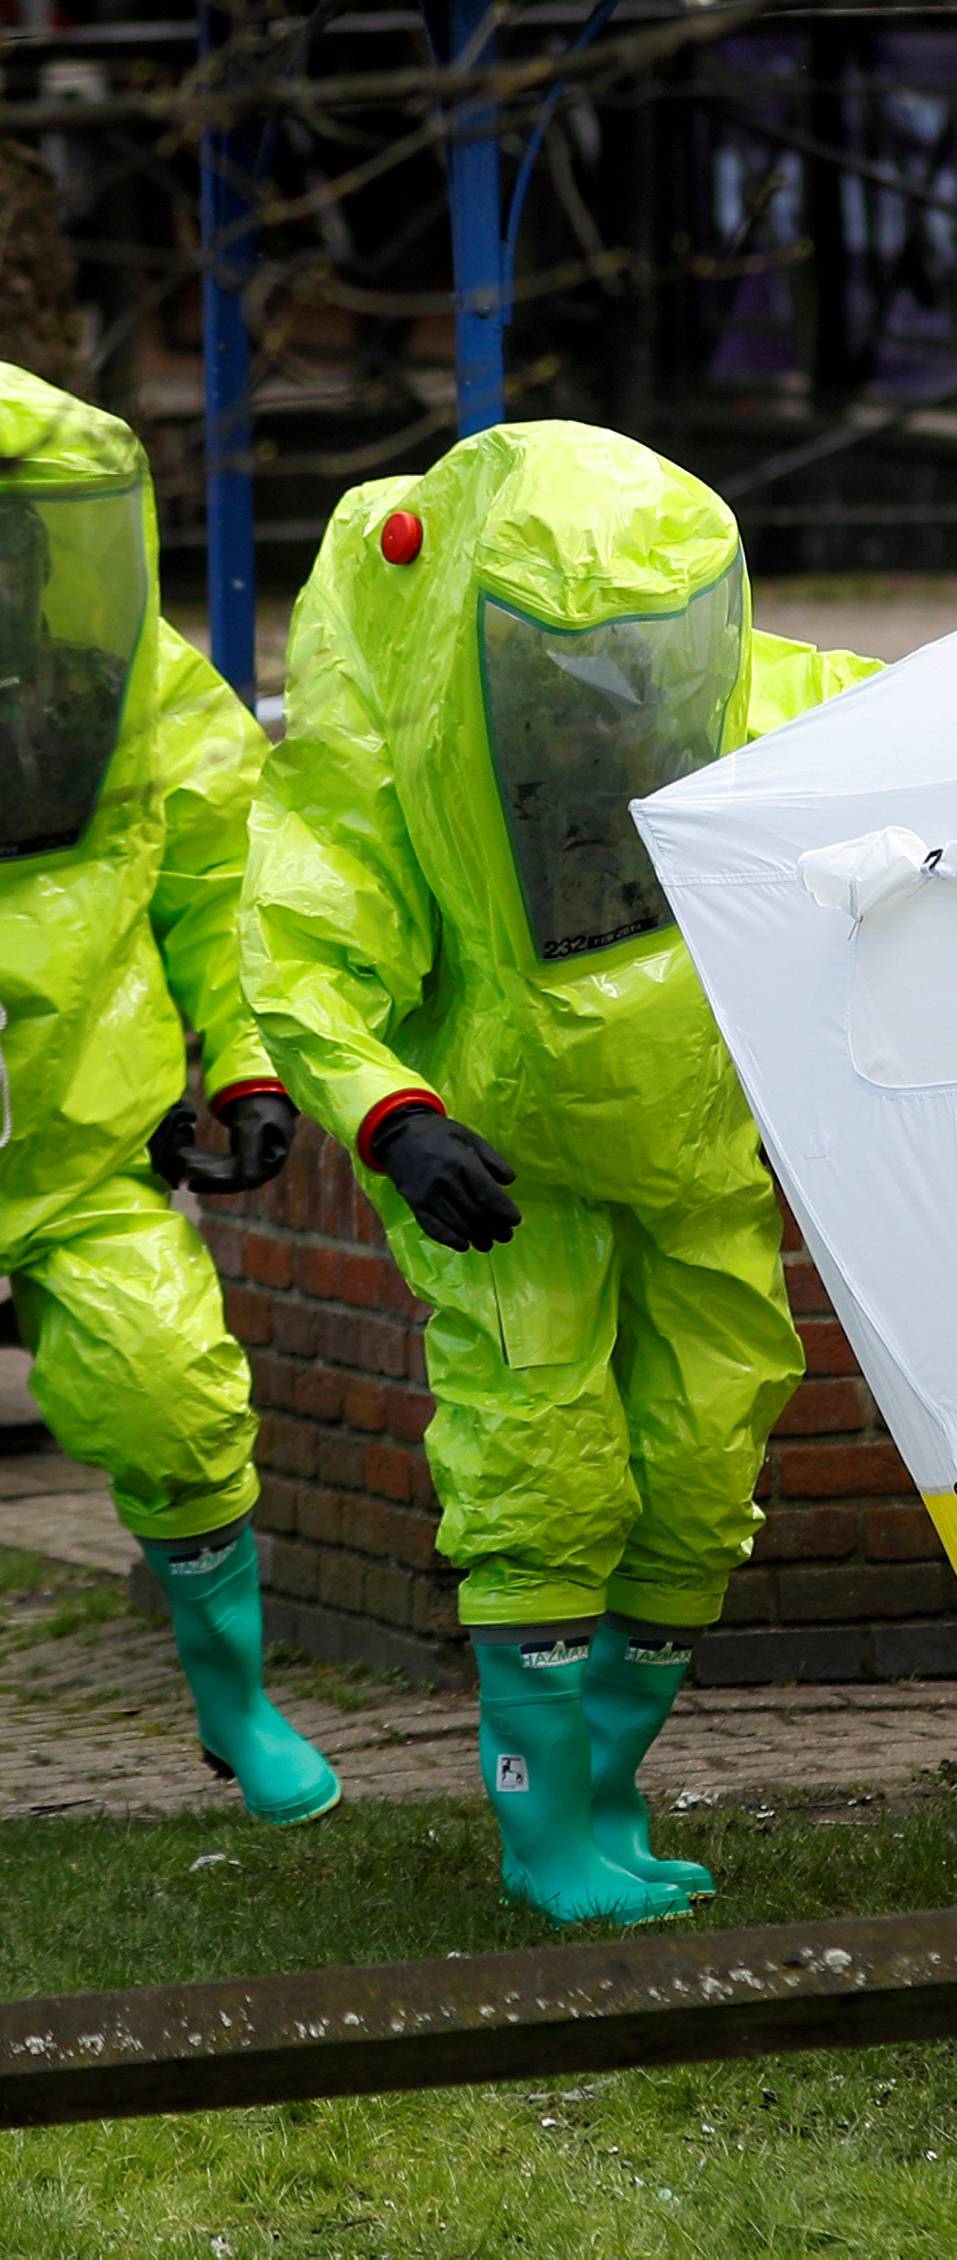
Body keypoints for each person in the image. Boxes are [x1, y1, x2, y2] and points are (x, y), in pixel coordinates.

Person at [242, 422, 882, 1925]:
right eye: (570, 678)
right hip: (507, 1166)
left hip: (691, 1148)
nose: (607, 709)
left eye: (637, 670)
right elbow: (305, 949)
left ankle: (604, 1792)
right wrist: (395, 1118)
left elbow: (926, 750)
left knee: (706, 1451)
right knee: (543, 1461)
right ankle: (543, 1836)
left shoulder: (746, 694)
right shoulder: (409, 754)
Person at [0, 362, 338, 1825]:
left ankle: (235, 1704)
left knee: (173, 1396)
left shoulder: (125, 683)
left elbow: (220, 880)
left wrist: (251, 1064)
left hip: (80, 1137)